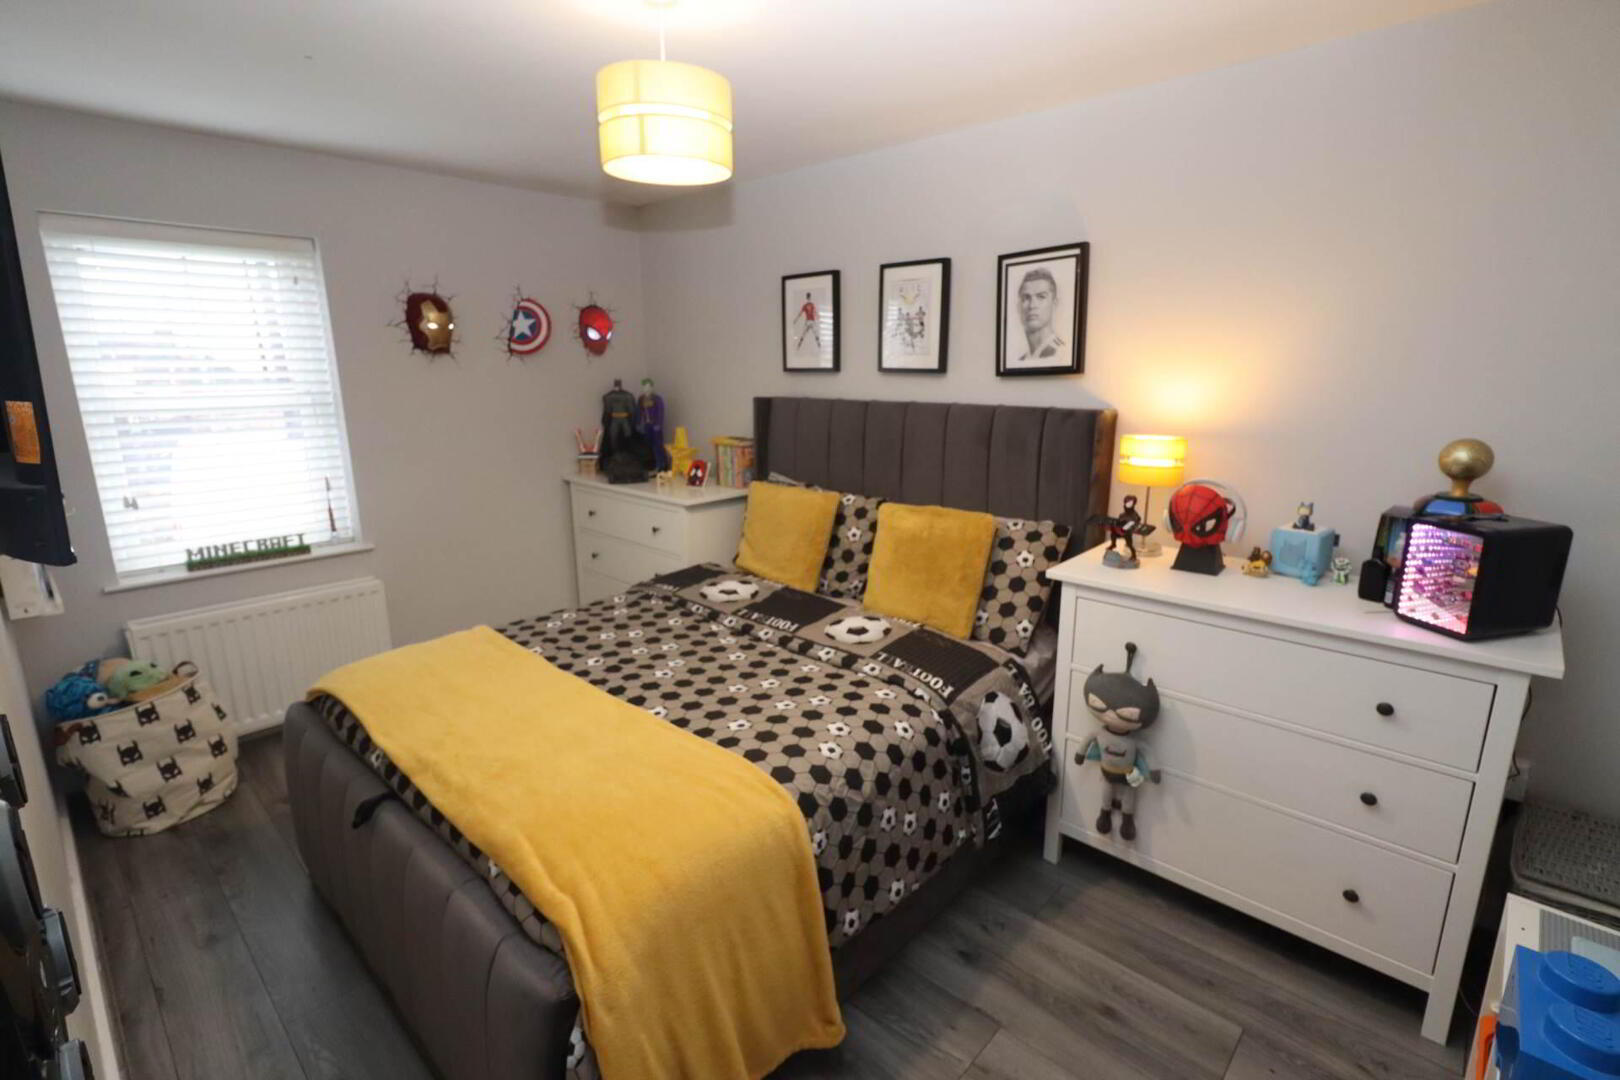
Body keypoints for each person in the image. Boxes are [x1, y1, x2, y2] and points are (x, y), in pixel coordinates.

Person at [1013, 267, 1064, 365]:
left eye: (1041, 297)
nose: (1032, 305)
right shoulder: (1020, 362)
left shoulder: (1063, 354)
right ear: (1019, 307)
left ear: (1054, 304)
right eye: (1026, 298)